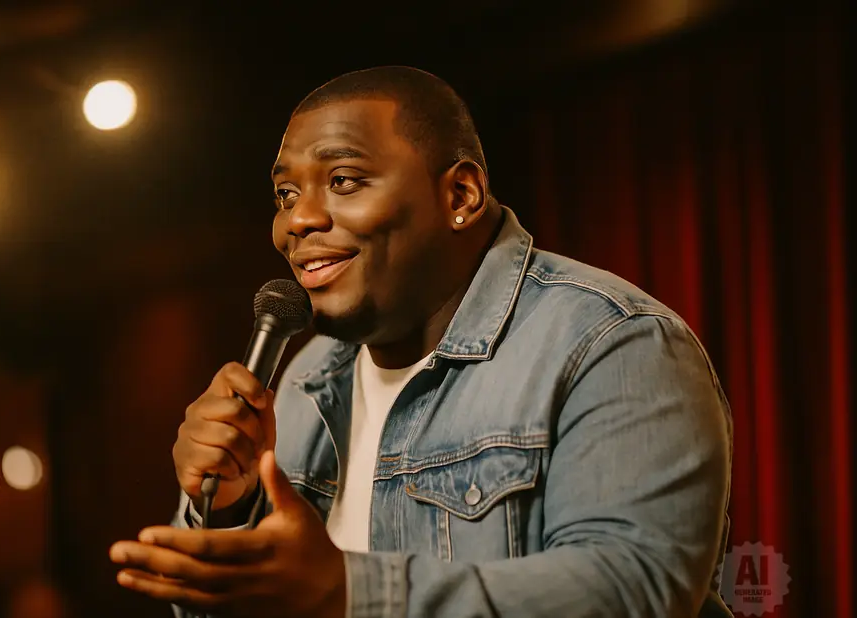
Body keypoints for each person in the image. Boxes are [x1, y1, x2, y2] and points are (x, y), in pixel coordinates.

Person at [109, 66, 734, 618]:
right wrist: (228, 507)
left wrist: (349, 593)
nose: (297, 220)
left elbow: (637, 591)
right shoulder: (306, 378)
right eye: (286, 194)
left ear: (459, 195)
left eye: (345, 180)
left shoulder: (609, 341)